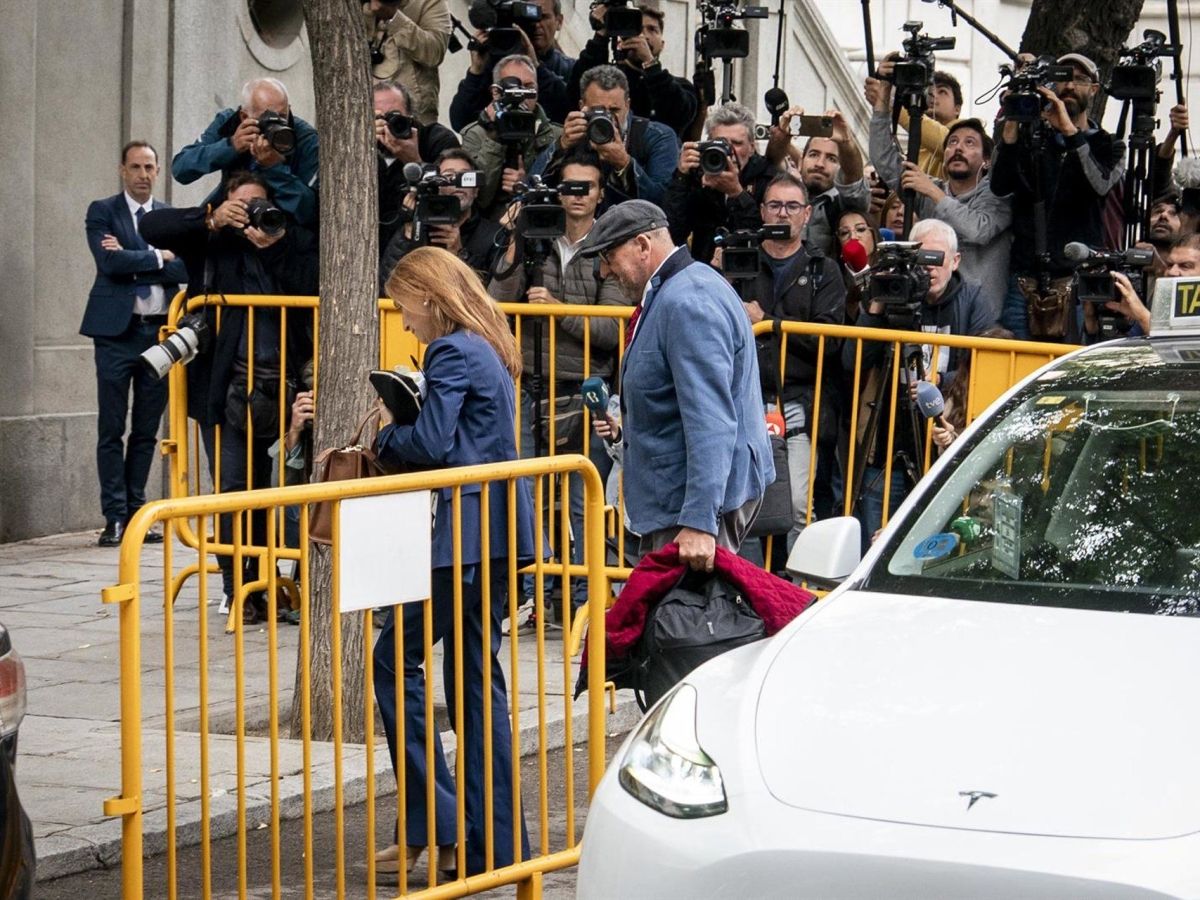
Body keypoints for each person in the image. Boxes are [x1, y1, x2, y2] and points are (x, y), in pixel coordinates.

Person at [371, 246, 534, 879]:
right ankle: (494, 843)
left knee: (395, 660)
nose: (405, 321)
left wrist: (387, 432)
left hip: (461, 536)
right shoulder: (485, 344)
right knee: (474, 680)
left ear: (429, 297)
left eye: (404, 307)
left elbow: (432, 443)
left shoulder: (451, 350)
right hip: (493, 531)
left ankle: (436, 823)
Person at [140, 171, 318, 623]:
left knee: (282, 490)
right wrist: (211, 218)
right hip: (225, 390)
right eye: (243, 205)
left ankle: (278, 582)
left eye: (260, 204)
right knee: (235, 491)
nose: (252, 213)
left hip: (286, 389)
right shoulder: (210, 239)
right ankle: (240, 588)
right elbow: (152, 227)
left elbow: (313, 280)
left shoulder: (286, 237)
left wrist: (274, 245)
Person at [580, 201, 773, 568]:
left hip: (691, 511)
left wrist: (700, 521)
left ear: (642, 245)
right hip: (681, 501)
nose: (604, 271)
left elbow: (711, 420)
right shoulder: (683, 289)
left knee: (688, 607)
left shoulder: (687, 300)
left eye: (608, 257)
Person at [488, 149, 625, 618]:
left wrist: (556, 309)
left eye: (587, 187)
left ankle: (587, 599)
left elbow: (610, 329)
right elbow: (497, 299)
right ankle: (534, 595)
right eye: (569, 187)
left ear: (601, 193)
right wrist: (516, 238)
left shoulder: (609, 245)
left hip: (584, 389)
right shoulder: (536, 236)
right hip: (530, 384)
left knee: (582, 499)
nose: (577, 197)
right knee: (527, 496)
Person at [851, 218, 995, 544]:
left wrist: (941, 380)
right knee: (876, 542)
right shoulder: (893, 295)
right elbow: (853, 360)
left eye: (936, 258)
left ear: (955, 261)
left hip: (943, 444)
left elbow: (984, 365)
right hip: (888, 442)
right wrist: (878, 302)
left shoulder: (973, 298)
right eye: (921, 258)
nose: (929, 268)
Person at [80, 141, 189, 547]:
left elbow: (185, 268)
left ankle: (136, 513)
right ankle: (114, 517)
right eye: (136, 167)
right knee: (111, 427)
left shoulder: (168, 217)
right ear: (123, 170)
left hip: (158, 335)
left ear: (158, 171)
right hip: (115, 335)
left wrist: (135, 257)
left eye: (149, 167)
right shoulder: (103, 211)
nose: (143, 174)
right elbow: (108, 263)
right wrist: (159, 257)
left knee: (146, 430)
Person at [740, 171, 846, 550]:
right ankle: (744, 584)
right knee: (740, 503)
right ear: (762, 212)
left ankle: (800, 584)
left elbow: (828, 341)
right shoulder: (741, 261)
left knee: (799, 506)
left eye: (792, 206)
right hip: (744, 399)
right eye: (775, 205)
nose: (783, 213)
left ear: (807, 214)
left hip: (799, 401)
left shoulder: (823, 269)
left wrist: (767, 322)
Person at [990, 53, 1125, 341]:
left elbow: (1099, 185)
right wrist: (1012, 123)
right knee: (1017, 362)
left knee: (1071, 362)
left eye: (1080, 79)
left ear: (1094, 89)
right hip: (1024, 281)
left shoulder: (1109, 144)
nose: (1070, 86)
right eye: (1063, 78)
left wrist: (1070, 132)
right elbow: (999, 186)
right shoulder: (1034, 138)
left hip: (1078, 282)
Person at [865, 74, 1013, 322]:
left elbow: (978, 230)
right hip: (934, 317)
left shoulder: (997, 193)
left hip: (982, 324)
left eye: (969, 143)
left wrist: (933, 192)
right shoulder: (928, 189)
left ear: (986, 160)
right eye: (952, 142)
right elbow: (885, 160)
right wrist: (881, 106)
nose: (958, 148)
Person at [172, 78, 319, 227]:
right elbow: (180, 169)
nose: (276, 125)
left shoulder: (305, 139)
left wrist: (274, 168)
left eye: (282, 117)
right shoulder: (230, 123)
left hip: (282, 227)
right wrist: (230, 146)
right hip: (231, 215)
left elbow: (311, 212)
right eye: (267, 118)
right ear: (244, 117)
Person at [530, 64, 680, 208]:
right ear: (582, 106)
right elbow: (530, 190)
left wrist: (624, 163)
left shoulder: (657, 136)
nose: (608, 118)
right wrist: (560, 147)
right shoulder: (574, 135)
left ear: (627, 105)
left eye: (614, 110)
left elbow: (663, 203)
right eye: (598, 111)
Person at [664, 102, 778, 265]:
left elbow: (763, 239)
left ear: (752, 148)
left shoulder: (767, 178)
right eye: (721, 144)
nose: (729, 151)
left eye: (737, 143)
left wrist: (737, 194)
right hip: (704, 268)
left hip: (751, 270)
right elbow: (672, 235)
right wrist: (681, 177)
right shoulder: (697, 175)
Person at [567, 3, 699, 138]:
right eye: (637, 29)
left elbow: (680, 113)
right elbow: (577, 90)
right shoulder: (608, 81)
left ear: (662, 44)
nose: (644, 36)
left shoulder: (680, 86)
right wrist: (601, 34)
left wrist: (650, 63)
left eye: (652, 29)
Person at [459, 54, 563, 219]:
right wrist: (494, 137)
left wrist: (528, 185)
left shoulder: (558, 136)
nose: (521, 95)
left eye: (528, 87)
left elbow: (566, 195)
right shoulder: (475, 135)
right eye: (514, 88)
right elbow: (477, 199)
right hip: (489, 224)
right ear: (496, 92)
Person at [381, 148, 502, 287]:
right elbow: (388, 285)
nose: (457, 183)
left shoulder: (494, 236)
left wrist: (459, 253)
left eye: (465, 177)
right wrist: (409, 233)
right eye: (448, 176)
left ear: (476, 190)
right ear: (436, 187)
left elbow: (489, 292)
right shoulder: (418, 228)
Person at [448, 0, 571, 130]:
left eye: (543, 17)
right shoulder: (494, 65)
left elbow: (568, 111)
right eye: (527, 19)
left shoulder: (568, 68)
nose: (536, 24)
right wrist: (475, 72)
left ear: (559, 21)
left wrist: (537, 68)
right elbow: (461, 123)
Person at [770, 107, 870, 258]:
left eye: (831, 159)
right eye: (813, 154)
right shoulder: (781, 193)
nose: (820, 164)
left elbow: (853, 181)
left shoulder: (843, 204)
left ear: (841, 168)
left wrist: (846, 142)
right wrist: (783, 135)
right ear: (800, 161)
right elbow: (771, 163)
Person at [374, 80, 461, 252]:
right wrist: (363, 149)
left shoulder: (437, 140)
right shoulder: (358, 149)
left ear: (411, 117)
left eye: (395, 117)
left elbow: (453, 195)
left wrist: (413, 161)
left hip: (425, 244)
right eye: (379, 119)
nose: (388, 126)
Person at [363, 0, 451, 125]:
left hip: (412, 115)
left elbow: (434, 53)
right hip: (362, 110)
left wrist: (394, 18)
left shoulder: (430, 2)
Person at [874, 58, 963, 178]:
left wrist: (893, 105)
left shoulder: (970, 133)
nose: (933, 94)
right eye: (928, 90)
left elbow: (948, 143)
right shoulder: (917, 148)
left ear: (957, 109)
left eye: (942, 91)